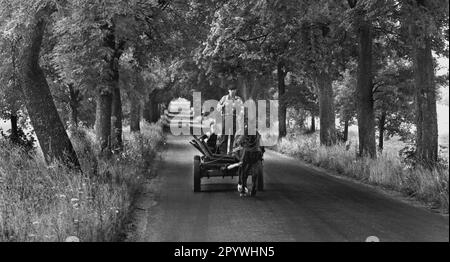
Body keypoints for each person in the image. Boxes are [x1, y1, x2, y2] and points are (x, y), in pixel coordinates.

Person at [233, 123, 265, 197]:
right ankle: (253, 189)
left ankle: (243, 189)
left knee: (244, 171)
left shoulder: (245, 132)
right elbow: (262, 146)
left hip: (247, 154)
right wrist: (261, 152)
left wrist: (238, 144)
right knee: (254, 173)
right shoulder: (257, 134)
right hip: (256, 155)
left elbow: (239, 141)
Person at [216, 84, 243, 155]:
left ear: (236, 91)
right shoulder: (224, 98)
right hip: (226, 118)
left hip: (235, 118)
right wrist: (222, 106)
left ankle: (232, 152)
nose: (233, 92)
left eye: (234, 90)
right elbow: (218, 107)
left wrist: (240, 114)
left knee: (233, 136)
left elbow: (242, 109)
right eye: (231, 90)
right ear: (228, 91)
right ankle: (222, 152)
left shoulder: (238, 99)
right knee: (224, 136)